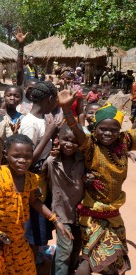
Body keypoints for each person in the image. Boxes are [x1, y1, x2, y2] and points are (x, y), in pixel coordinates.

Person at [59, 89, 136, 274]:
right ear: (95, 129)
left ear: (120, 130)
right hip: (92, 213)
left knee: (116, 263)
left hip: (113, 213)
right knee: (88, 262)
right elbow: (77, 131)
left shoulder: (125, 140)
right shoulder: (90, 144)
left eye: (113, 130)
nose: (108, 133)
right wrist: (67, 110)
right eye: (103, 129)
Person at [0, 134, 72, 274]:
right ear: (6, 155)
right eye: (16, 156)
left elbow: (34, 202)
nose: (22, 161)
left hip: (17, 238)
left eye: (27, 157)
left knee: (27, 269)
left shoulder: (31, 179)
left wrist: (55, 220)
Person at [18, 81, 59, 259]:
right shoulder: (30, 123)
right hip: (32, 186)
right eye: (55, 99)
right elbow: (26, 159)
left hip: (42, 183)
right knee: (32, 232)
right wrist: (49, 134)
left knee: (38, 232)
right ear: (50, 99)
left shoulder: (44, 120)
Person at [43, 125, 84, 275]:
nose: (69, 144)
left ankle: (66, 271)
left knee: (76, 247)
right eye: (65, 139)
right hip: (60, 213)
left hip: (80, 212)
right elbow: (41, 178)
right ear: (58, 139)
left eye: (74, 141)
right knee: (65, 249)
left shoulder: (83, 159)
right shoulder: (51, 161)